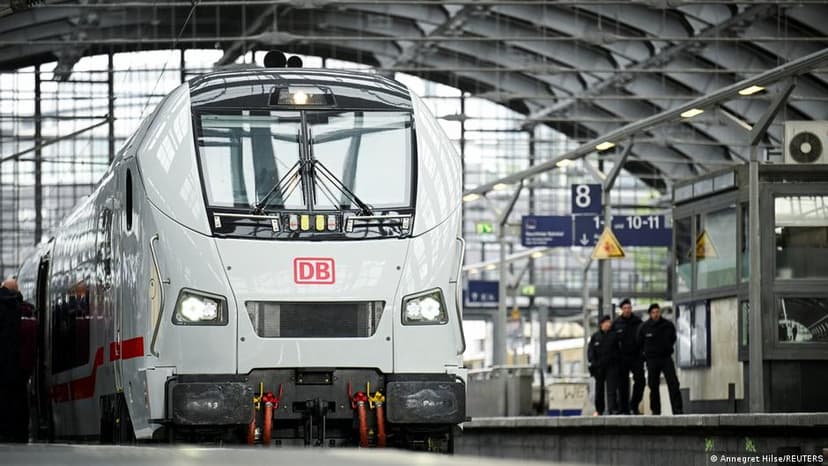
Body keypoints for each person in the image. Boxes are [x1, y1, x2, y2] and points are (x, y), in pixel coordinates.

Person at [639, 303, 683, 415]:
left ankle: (677, 410)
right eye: (653, 312)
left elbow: (673, 338)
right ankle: (656, 411)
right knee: (653, 386)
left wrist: (666, 347)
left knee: (673, 383)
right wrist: (646, 355)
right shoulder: (644, 327)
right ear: (650, 314)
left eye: (657, 312)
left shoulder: (667, 325)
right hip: (652, 359)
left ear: (660, 312)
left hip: (665, 358)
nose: (655, 314)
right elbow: (639, 342)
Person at [0, 278, 27, 442]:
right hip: (19, 364)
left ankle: (4, 432)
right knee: (17, 399)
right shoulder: (25, 309)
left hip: (2, 364)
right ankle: (18, 433)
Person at [610, 298, 645, 414]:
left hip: (636, 357)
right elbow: (612, 342)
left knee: (640, 381)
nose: (627, 310)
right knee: (622, 384)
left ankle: (634, 404)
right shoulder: (616, 324)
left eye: (629, 308)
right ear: (621, 310)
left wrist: (643, 353)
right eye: (625, 308)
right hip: (621, 358)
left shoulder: (638, 322)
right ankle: (624, 408)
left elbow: (643, 339)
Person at [587, 315, 618, 415]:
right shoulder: (595, 336)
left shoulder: (614, 336)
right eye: (606, 322)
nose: (608, 324)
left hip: (611, 366)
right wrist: (593, 363)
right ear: (601, 324)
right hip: (599, 367)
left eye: (609, 322)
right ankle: (599, 410)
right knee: (599, 389)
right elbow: (590, 351)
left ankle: (612, 409)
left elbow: (618, 351)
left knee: (612, 389)